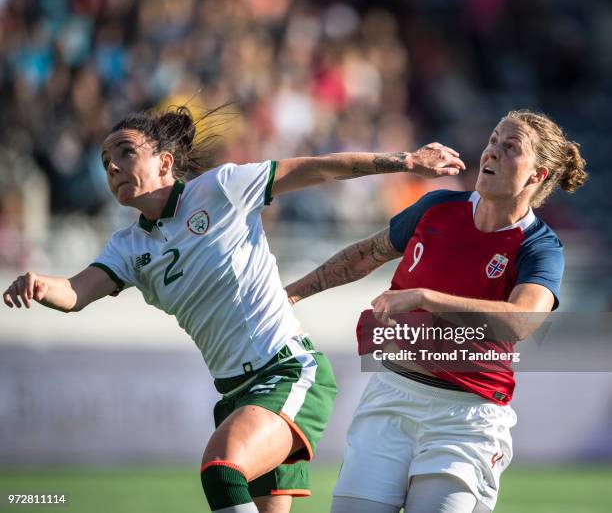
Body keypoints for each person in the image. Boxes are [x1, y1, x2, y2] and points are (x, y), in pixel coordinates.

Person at [2, 106, 465, 513]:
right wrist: (43, 285)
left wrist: (406, 162)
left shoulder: (220, 188)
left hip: (287, 373)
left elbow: (322, 169)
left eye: (125, 152)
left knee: (221, 470)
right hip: (235, 395)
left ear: (164, 162)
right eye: (106, 162)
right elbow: (76, 292)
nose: (113, 166)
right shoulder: (128, 247)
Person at [285, 109, 587, 513]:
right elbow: (366, 254)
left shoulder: (541, 247)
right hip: (389, 397)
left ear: (538, 175)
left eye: (510, 147)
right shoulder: (439, 206)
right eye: (494, 140)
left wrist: (426, 298)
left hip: (465, 417)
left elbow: (520, 320)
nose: (492, 152)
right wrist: (290, 295)